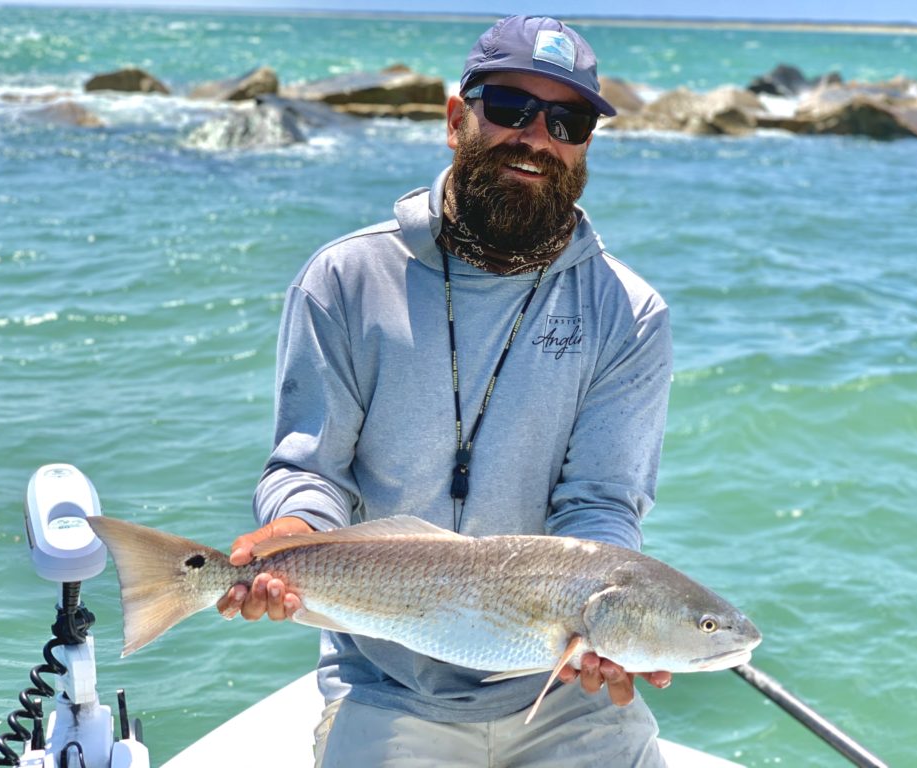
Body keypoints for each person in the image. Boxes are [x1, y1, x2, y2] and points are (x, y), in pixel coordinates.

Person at [217, 15, 674, 767]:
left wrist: (610, 630)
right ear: (457, 119)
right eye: (510, 109)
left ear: (587, 144)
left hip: (562, 686)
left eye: (568, 121)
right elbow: (309, 469)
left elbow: (600, 506)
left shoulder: (629, 313)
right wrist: (296, 532)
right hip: (385, 681)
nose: (536, 137)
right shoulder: (345, 279)